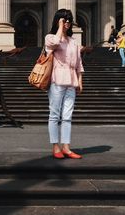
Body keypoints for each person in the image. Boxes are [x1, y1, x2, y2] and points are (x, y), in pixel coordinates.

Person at [45, 9, 84, 159]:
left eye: (68, 20)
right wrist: (60, 28)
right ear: (58, 21)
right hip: (56, 80)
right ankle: (56, 147)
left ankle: (66, 147)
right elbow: (55, 43)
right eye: (64, 20)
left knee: (67, 116)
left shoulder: (73, 41)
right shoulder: (50, 37)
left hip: (71, 81)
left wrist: (80, 80)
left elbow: (78, 62)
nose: (67, 23)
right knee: (55, 115)